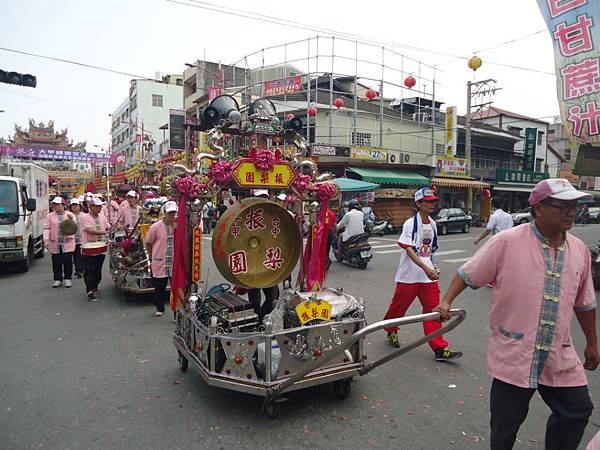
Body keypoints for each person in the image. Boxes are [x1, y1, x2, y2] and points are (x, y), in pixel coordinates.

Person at [435, 178, 598, 450]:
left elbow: (585, 303)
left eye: (574, 206)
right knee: (505, 426)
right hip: (516, 352)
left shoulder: (579, 250)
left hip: (559, 353)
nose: (571, 212)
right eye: (563, 206)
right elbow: (467, 274)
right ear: (539, 208)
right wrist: (446, 301)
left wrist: (592, 343)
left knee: (577, 410)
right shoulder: (507, 242)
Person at [382, 187, 463, 361]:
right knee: (398, 308)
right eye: (428, 201)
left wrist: (432, 267)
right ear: (419, 204)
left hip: (427, 278)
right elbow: (409, 249)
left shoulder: (433, 224)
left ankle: (439, 348)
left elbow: (430, 251)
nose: (432, 204)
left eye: (434, 201)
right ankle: (391, 330)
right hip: (408, 276)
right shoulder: (410, 224)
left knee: (434, 311)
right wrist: (425, 268)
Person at [145, 201, 178, 317]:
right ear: (164, 213)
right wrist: (151, 257)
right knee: (159, 287)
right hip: (160, 261)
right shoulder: (155, 227)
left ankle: (176, 311)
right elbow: (148, 242)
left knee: (176, 287)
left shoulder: (179, 226)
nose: (172, 215)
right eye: (170, 213)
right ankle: (160, 307)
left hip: (174, 262)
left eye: (174, 213)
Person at [80, 198, 110, 300]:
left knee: (98, 270)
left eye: (100, 206)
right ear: (91, 207)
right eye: (97, 206)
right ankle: (90, 290)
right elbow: (90, 230)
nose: (99, 208)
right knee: (89, 270)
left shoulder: (102, 217)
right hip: (88, 247)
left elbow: (107, 226)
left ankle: (95, 287)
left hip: (100, 247)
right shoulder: (85, 218)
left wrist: (113, 228)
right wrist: (104, 232)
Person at [43, 196, 76, 288]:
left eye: (58, 205)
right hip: (55, 242)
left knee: (67, 260)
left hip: (67, 242)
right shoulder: (49, 216)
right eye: (54, 205)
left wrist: (71, 220)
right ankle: (58, 279)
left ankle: (67, 278)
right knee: (56, 261)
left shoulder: (69, 214)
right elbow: (46, 228)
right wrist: (46, 240)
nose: (56, 206)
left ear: (63, 205)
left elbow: (74, 226)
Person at [69, 198, 85, 278]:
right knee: (75, 255)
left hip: (82, 238)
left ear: (80, 206)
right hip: (71, 239)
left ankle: (80, 270)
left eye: (76, 205)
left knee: (80, 254)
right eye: (73, 205)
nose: (74, 207)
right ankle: (78, 269)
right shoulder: (68, 215)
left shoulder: (84, 215)